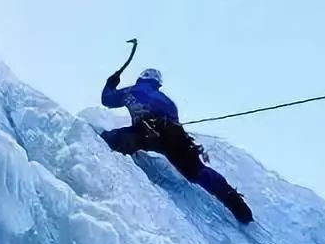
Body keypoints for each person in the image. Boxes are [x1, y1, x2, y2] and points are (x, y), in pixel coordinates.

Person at [100, 68, 253, 223]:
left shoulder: (129, 92)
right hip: (173, 135)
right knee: (197, 171)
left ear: (141, 78)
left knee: (110, 139)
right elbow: (173, 119)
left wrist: (111, 82)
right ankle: (235, 202)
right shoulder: (165, 100)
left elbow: (107, 99)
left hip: (143, 133)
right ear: (157, 83)